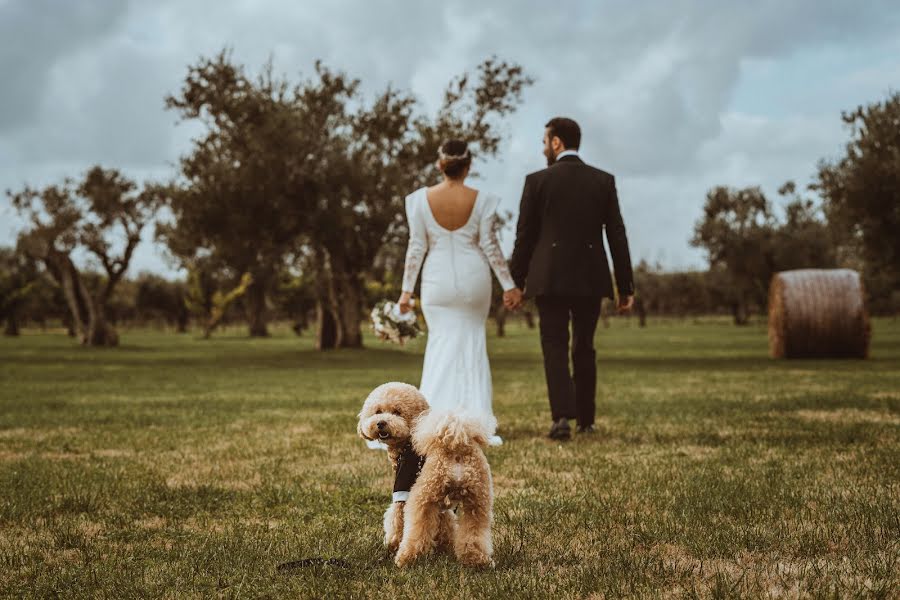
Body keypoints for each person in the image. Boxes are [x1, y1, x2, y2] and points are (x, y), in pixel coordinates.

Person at [508, 117, 635, 441]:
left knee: (554, 345)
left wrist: (515, 282)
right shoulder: (602, 180)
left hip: (549, 277)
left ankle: (561, 418)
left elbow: (524, 236)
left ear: (556, 143)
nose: (542, 148)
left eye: (544, 141)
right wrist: (626, 285)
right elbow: (617, 234)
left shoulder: (536, 181)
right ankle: (587, 421)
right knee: (584, 346)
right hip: (590, 276)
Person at [397, 140, 522, 446]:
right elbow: (491, 247)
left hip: (436, 282)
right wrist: (509, 284)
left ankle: (431, 419)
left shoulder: (418, 200)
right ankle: (475, 420)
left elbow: (416, 248)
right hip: (473, 280)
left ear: (440, 165)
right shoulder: (484, 200)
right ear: (469, 166)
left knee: (440, 344)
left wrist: (405, 291)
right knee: (471, 344)